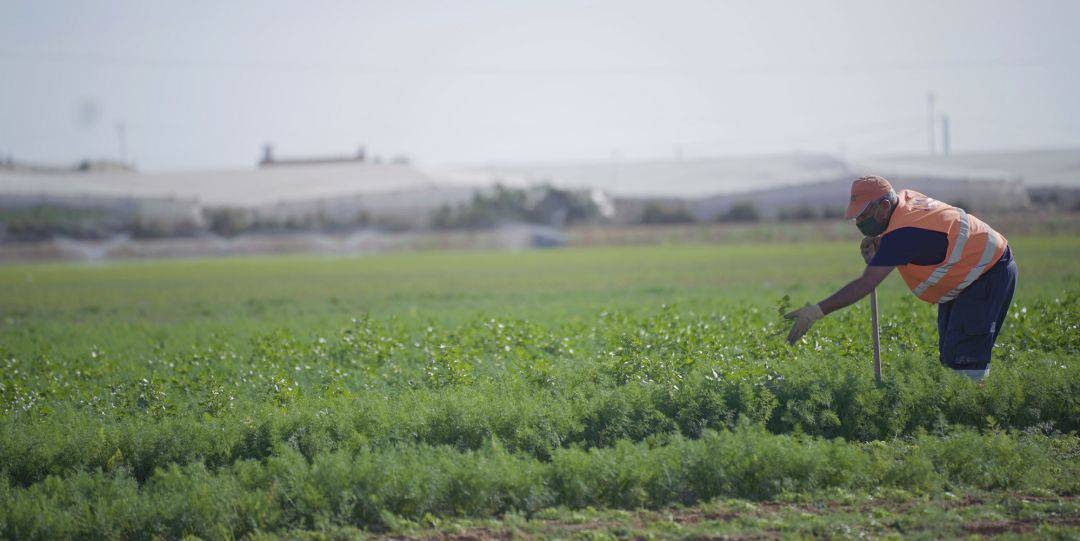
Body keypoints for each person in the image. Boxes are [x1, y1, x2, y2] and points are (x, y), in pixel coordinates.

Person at [784, 175, 1017, 382]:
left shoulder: (904, 235)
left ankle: (976, 419)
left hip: (987, 272)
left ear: (884, 206)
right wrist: (882, 242)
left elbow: (866, 283)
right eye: (856, 216)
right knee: (951, 356)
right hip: (965, 274)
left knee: (965, 364)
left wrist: (816, 311)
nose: (859, 222)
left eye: (863, 214)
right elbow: (925, 235)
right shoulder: (904, 199)